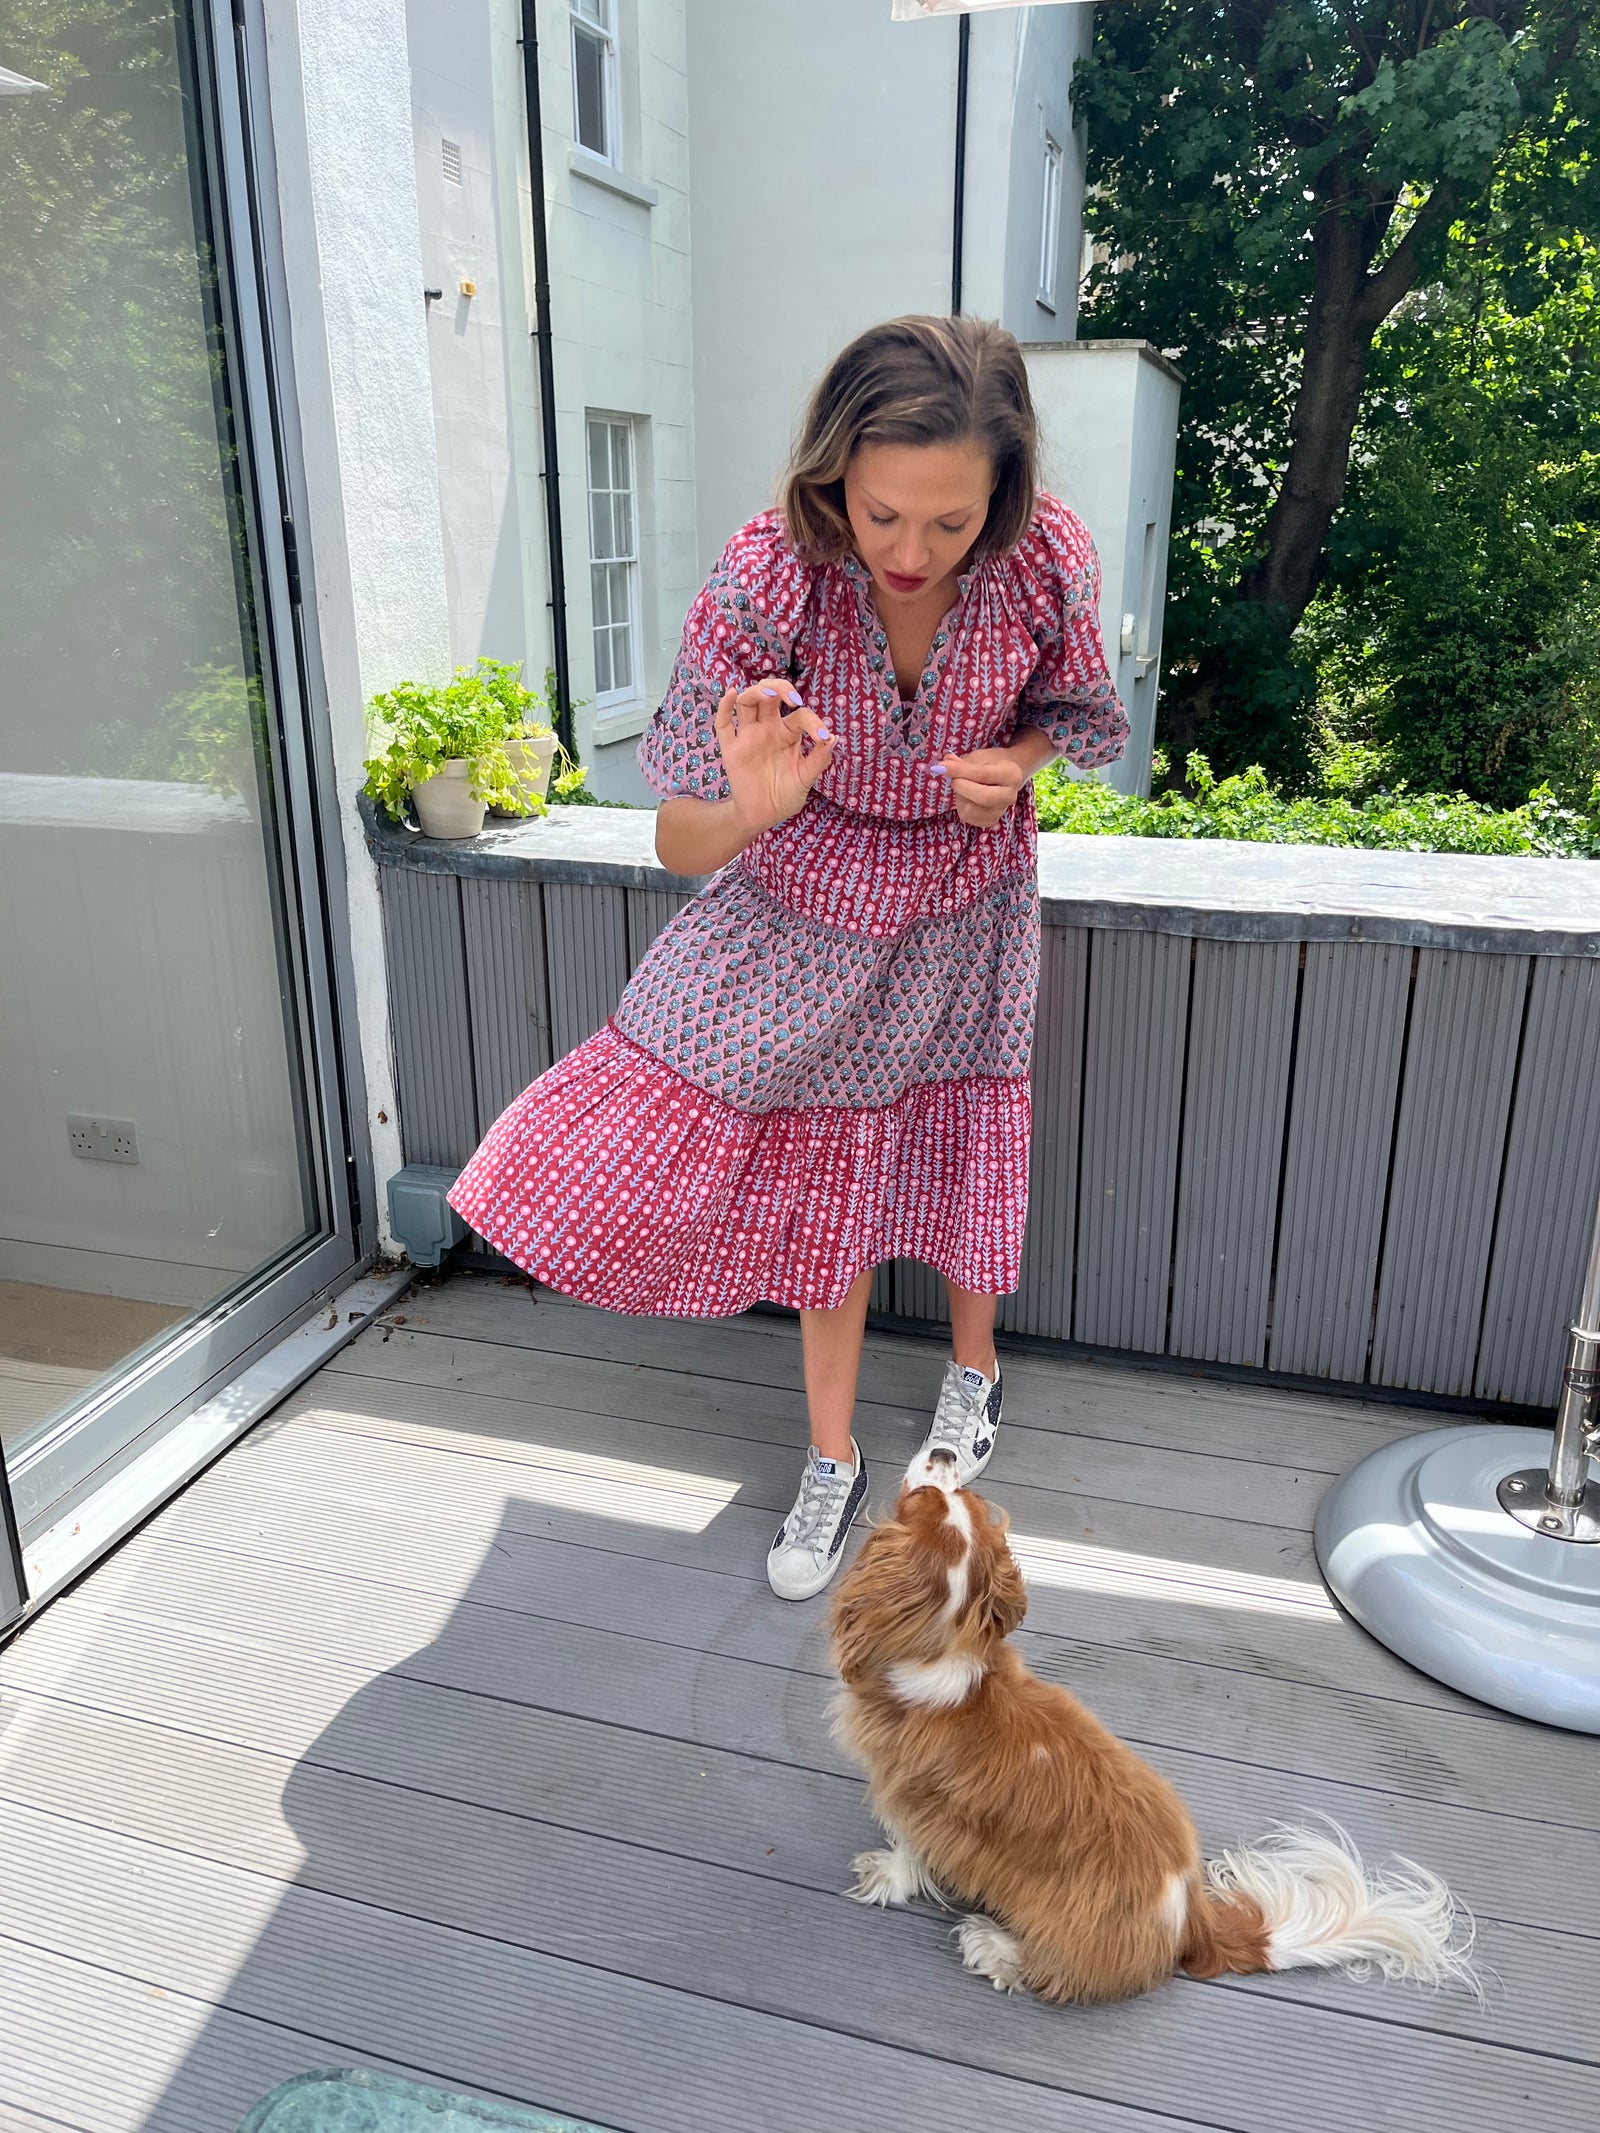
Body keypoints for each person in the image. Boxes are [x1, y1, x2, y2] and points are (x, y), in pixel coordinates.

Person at [449, 315, 1127, 1600]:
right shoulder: (769, 576)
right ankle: (834, 1457)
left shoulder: (1045, 558)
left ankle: (972, 1380)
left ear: (1005, 489)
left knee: (961, 1131)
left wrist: (1013, 766)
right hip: (803, 898)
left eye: (951, 520)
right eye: (881, 516)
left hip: (968, 892)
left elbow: (1078, 714)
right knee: (826, 1163)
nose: (913, 552)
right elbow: (674, 839)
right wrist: (753, 808)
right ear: (831, 478)